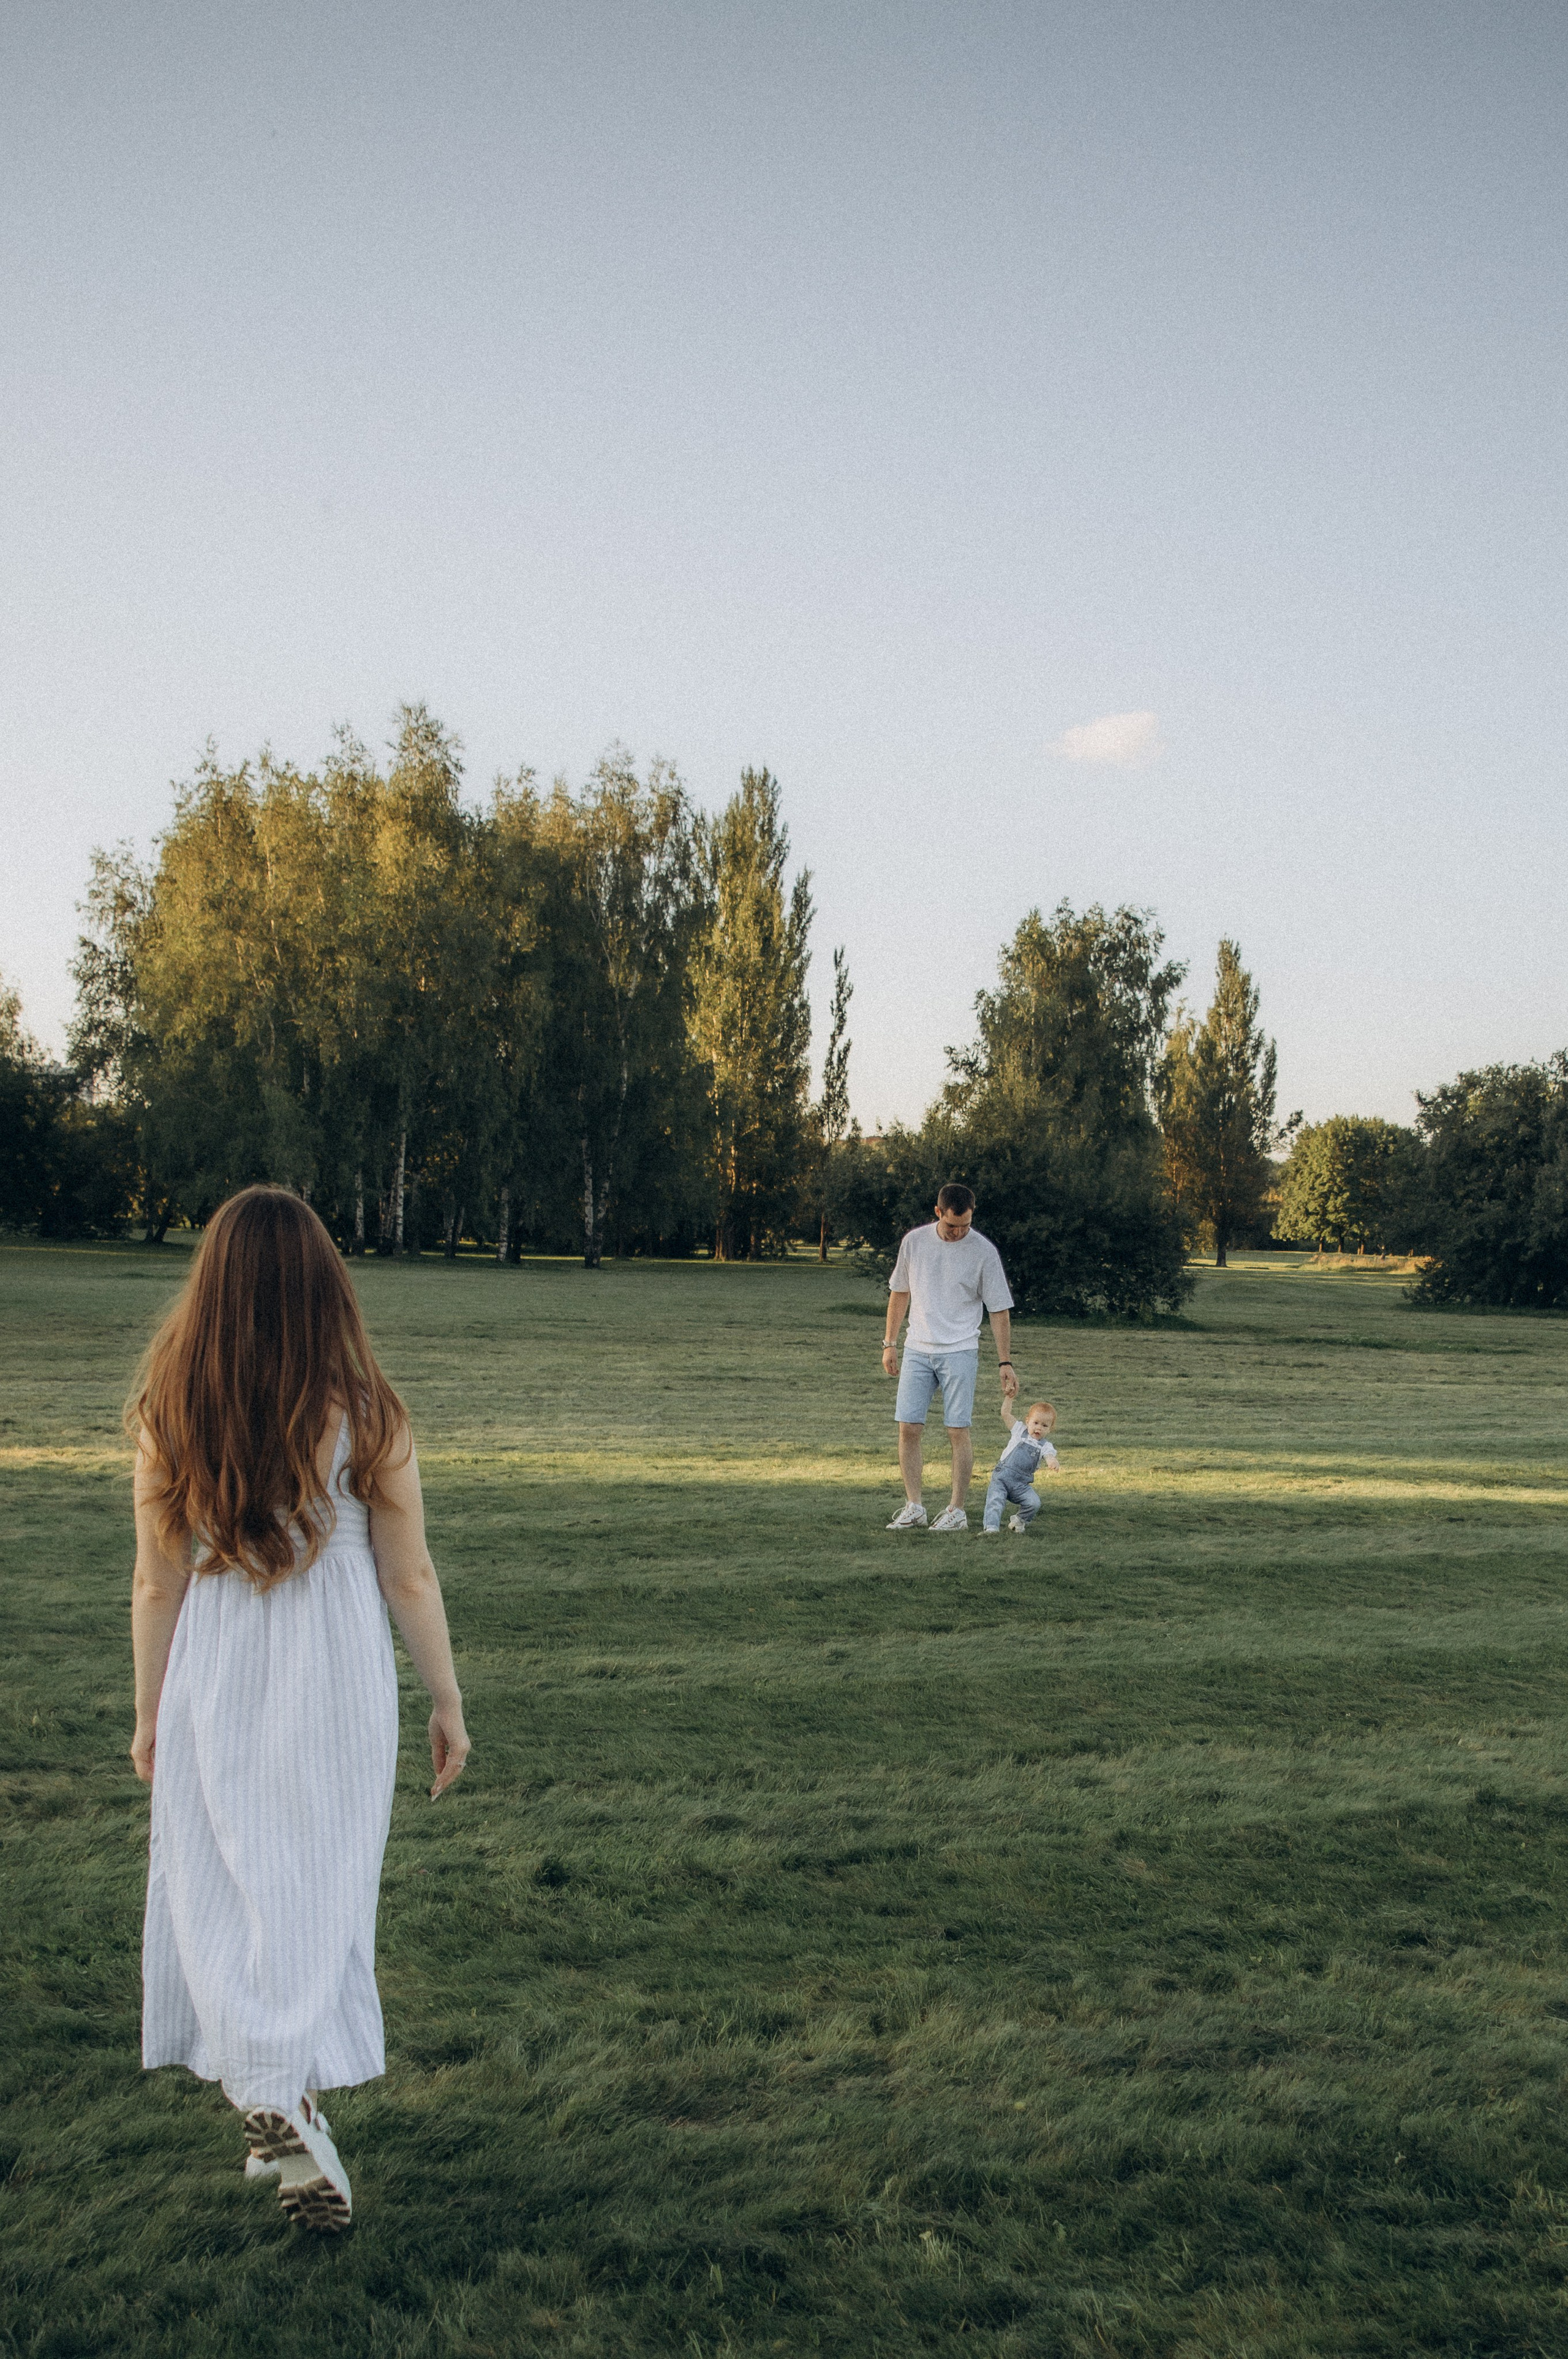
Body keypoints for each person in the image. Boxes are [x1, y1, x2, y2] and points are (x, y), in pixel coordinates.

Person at [129, 1185, 470, 2233]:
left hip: (218, 1669)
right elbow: (408, 1575)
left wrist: (149, 1712)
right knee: (318, 1887)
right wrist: (446, 1699)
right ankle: (285, 2094)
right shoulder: (366, 1414)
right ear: (326, 1288)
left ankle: (275, 2095)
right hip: (336, 1675)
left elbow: (156, 1582)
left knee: (226, 1885)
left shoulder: (171, 1413)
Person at [881, 1183, 1017, 1531]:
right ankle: (914, 1507)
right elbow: (900, 1293)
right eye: (952, 1225)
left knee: (958, 1430)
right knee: (908, 1428)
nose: (959, 1232)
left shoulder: (984, 1252)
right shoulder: (914, 1242)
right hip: (917, 1349)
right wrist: (890, 1343)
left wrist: (1005, 1362)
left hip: (960, 1350)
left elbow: (999, 1309)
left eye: (966, 1225)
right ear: (938, 1212)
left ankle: (957, 1511)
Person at [979, 1399, 1060, 1534]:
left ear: (1050, 1429)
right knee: (995, 1501)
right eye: (1035, 1423)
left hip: (1021, 1485)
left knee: (1034, 1503)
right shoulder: (1019, 1431)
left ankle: (1019, 1521)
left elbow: (1049, 1455)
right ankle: (991, 1528)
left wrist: (1052, 1461)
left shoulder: (1046, 1446)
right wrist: (1009, 1398)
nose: (1039, 1428)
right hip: (1002, 1478)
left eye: (1045, 1426)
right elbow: (1005, 1413)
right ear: (1027, 1421)